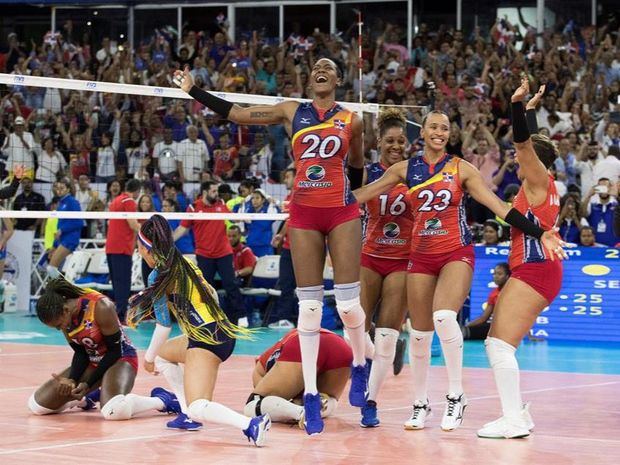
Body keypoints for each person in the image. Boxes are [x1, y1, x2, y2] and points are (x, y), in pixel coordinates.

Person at [175, 58, 368, 436]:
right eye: (316, 68)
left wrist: (353, 202)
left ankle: (360, 363)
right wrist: (194, 92)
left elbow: (358, 167)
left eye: (328, 67)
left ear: (339, 79)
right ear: (310, 79)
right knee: (309, 307)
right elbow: (239, 114)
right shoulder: (290, 110)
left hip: (341, 209)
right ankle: (311, 395)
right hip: (304, 213)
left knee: (347, 305)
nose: (321, 70)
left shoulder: (354, 119)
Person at [353, 107, 564, 432]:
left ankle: (458, 397)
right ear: (420, 133)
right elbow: (363, 193)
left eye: (445, 127)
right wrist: (315, 202)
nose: (439, 131)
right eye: (433, 126)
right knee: (425, 336)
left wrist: (541, 233)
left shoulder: (466, 169)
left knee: (456, 323)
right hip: (421, 255)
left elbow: (501, 199)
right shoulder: (406, 169)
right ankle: (425, 403)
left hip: (465, 252)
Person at [127, 215, 270, 444]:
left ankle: (251, 425)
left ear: (146, 249)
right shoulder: (185, 263)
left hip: (206, 339)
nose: (138, 250)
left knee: (199, 405)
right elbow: (212, 293)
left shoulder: (159, 276)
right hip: (217, 330)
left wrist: (148, 358)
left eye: (138, 246)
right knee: (166, 355)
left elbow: (163, 326)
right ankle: (185, 414)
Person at [477, 79, 567, 439]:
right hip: (538, 268)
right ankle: (517, 415)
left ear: (536, 162)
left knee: (498, 344)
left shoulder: (537, 179)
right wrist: (529, 110)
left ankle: (513, 418)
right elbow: (529, 143)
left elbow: (523, 143)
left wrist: (515, 104)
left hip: (535, 268)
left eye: (521, 157)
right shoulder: (542, 185)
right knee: (500, 344)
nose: (516, 158)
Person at [29, 277, 180, 420]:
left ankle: (162, 400)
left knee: (114, 411)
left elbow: (114, 351)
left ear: (66, 310)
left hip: (120, 358)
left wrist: (88, 383)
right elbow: (81, 352)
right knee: (37, 406)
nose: (59, 329)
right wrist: (72, 380)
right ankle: (85, 399)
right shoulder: (62, 312)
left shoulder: (100, 306)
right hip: (92, 360)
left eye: (58, 325)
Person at [357, 108, 413, 428]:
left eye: (401, 141)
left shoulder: (416, 172)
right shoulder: (367, 173)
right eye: (390, 140)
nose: (395, 145)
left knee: (387, 333)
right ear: (379, 141)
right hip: (370, 255)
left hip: (402, 261)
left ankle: (370, 401)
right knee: (357, 328)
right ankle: (363, 367)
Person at [173, 181, 247, 324]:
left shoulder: (220, 204)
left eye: (216, 190)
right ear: (205, 192)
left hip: (223, 253)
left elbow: (233, 217)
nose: (216, 193)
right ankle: (208, 316)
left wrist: (248, 216)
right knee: (205, 287)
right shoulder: (193, 207)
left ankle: (241, 316)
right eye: (213, 191)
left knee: (230, 284)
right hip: (204, 254)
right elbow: (182, 229)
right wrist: (169, 241)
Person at [244, 329, 352, 426]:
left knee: (252, 405)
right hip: (341, 347)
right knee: (327, 399)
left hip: (304, 345)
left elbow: (266, 398)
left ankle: (301, 413)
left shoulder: (259, 369)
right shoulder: (275, 353)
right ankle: (310, 410)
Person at [105, 179, 141, 323]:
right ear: (137, 191)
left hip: (111, 247)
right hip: (122, 248)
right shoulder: (129, 201)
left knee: (116, 283)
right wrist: (150, 232)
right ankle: (121, 316)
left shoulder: (116, 200)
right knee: (123, 284)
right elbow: (133, 224)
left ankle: (117, 315)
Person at [268, 168, 297, 329]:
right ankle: (285, 319)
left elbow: (292, 217)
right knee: (285, 284)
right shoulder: (287, 197)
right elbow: (289, 219)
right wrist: (280, 235)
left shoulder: (301, 194)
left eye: (287, 177)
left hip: (303, 249)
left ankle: (309, 320)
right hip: (287, 247)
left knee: (306, 287)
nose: (285, 180)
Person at [47, 179, 84, 278]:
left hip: (70, 239)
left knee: (51, 268)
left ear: (68, 189)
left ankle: (61, 290)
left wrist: (62, 230)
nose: (59, 191)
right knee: (57, 269)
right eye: (57, 188)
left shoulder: (72, 202)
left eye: (62, 188)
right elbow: (60, 224)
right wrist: (54, 245)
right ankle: (62, 290)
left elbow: (79, 222)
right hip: (62, 239)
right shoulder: (61, 203)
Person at [463, 263, 510, 340]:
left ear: (507, 276)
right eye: (494, 274)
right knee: (466, 331)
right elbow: (484, 318)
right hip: (495, 328)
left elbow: (522, 315)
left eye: (499, 274)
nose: (496, 276)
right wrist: (467, 325)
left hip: (509, 328)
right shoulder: (493, 293)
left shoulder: (513, 292)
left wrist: (529, 335)